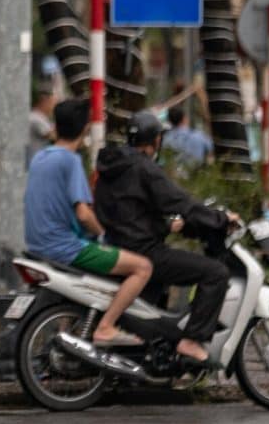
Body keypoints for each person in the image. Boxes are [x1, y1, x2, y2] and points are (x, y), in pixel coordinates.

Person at [94, 111, 239, 366]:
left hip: (119, 247)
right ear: (155, 141)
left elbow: (130, 210)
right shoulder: (145, 169)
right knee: (215, 273)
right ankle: (191, 340)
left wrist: (166, 225)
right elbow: (180, 201)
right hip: (144, 251)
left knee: (154, 301)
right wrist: (221, 219)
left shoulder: (112, 167)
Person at [24, 98, 153, 347]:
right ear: (84, 129)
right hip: (65, 248)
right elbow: (83, 213)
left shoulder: (40, 158)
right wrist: (103, 232)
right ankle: (106, 327)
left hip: (37, 246)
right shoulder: (69, 161)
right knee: (142, 267)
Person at [163, 105, 213, 170]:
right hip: (197, 176)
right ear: (184, 118)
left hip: (173, 177)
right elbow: (211, 152)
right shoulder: (199, 136)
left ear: (169, 121)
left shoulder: (166, 140)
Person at [28, 86, 57, 161]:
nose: (54, 107)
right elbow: (54, 136)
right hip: (33, 163)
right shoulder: (35, 118)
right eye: (53, 103)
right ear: (45, 101)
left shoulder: (43, 118)